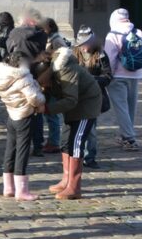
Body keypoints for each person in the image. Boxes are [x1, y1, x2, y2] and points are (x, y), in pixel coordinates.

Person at [41, 44, 104, 200]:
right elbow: (54, 91)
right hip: (74, 107)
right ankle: (66, 180)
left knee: (76, 143)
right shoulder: (54, 73)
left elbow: (71, 99)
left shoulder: (66, 70)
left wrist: (47, 109)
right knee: (65, 142)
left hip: (86, 106)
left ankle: (74, 186)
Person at [0, 51, 46, 201]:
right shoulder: (24, 76)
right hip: (25, 116)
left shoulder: (1, 74)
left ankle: (8, 187)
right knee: (22, 152)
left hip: (12, 114)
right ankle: (21, 190)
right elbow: (34, 98)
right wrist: (43, 99)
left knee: (10, 150)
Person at [104, 8, 142, 151]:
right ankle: (125, 136)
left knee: (121, 108)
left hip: (117, 77)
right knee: (130, 108)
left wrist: (107, 75)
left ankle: (129, 138)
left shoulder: (112, 35)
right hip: (135, 76)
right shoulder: (139, 33)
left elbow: (109, 59)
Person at [73, 26, 112, 169]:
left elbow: (108, 76)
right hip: (76, 97)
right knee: (74, 128)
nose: (83, 48)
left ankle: (90, 157)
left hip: (94, 98)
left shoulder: (100, 54)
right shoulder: (74, 53)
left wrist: (91, 80)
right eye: (81, 45)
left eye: (86, 44)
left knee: (91, 130)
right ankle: (75, 156)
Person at [34, 17, 69, 155]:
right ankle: (52, 140)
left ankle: (54, 142)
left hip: (54, 81)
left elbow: (62, 60)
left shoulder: (56, 40)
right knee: (49, 113)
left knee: (52, 113)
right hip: (48, 80)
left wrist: (47, 57)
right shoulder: (50, 39)